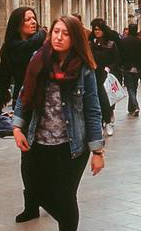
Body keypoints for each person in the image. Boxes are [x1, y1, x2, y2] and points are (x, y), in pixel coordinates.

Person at [12, 15, 105, 231]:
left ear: (75, 39)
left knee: (65, 198)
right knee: (35, 191)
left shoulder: (83, 68)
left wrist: (97, 152)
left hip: (71, 147)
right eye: (56, 32)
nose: (59, 37)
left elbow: (92, 110)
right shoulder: (38, 59)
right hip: (38, 142)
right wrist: (17, 128)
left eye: (66, 34)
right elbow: (24, 94)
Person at [0, 7, 46, 223]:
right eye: (27, 19)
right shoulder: (9, 49)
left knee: (46, 155)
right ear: (18, 24)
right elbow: (3, 79)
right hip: (23, 103)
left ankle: (52, 197)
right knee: (27, 156)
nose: (33, 22)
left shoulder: (45, 43)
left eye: (34, 17)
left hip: (46, 104)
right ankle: (31, 204)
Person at [89, 20, 120, 137]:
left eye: (99, 30)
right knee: (96, 100)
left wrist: (109, 68)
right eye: (95, 30)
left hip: (105, 75)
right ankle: (101, 122)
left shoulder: (111, 44)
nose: (97, 32)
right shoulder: (91, 44)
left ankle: (107, 121)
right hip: (93, 74)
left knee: (105, 99)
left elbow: (116, 60)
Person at [120, 24, 141, 116]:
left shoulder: (123, 41)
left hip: (127, 67)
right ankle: (132, 107)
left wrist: (122, 65)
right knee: (134, 87)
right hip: (138, 67)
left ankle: (135, 106)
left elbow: (121, 54)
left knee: (130, 88)